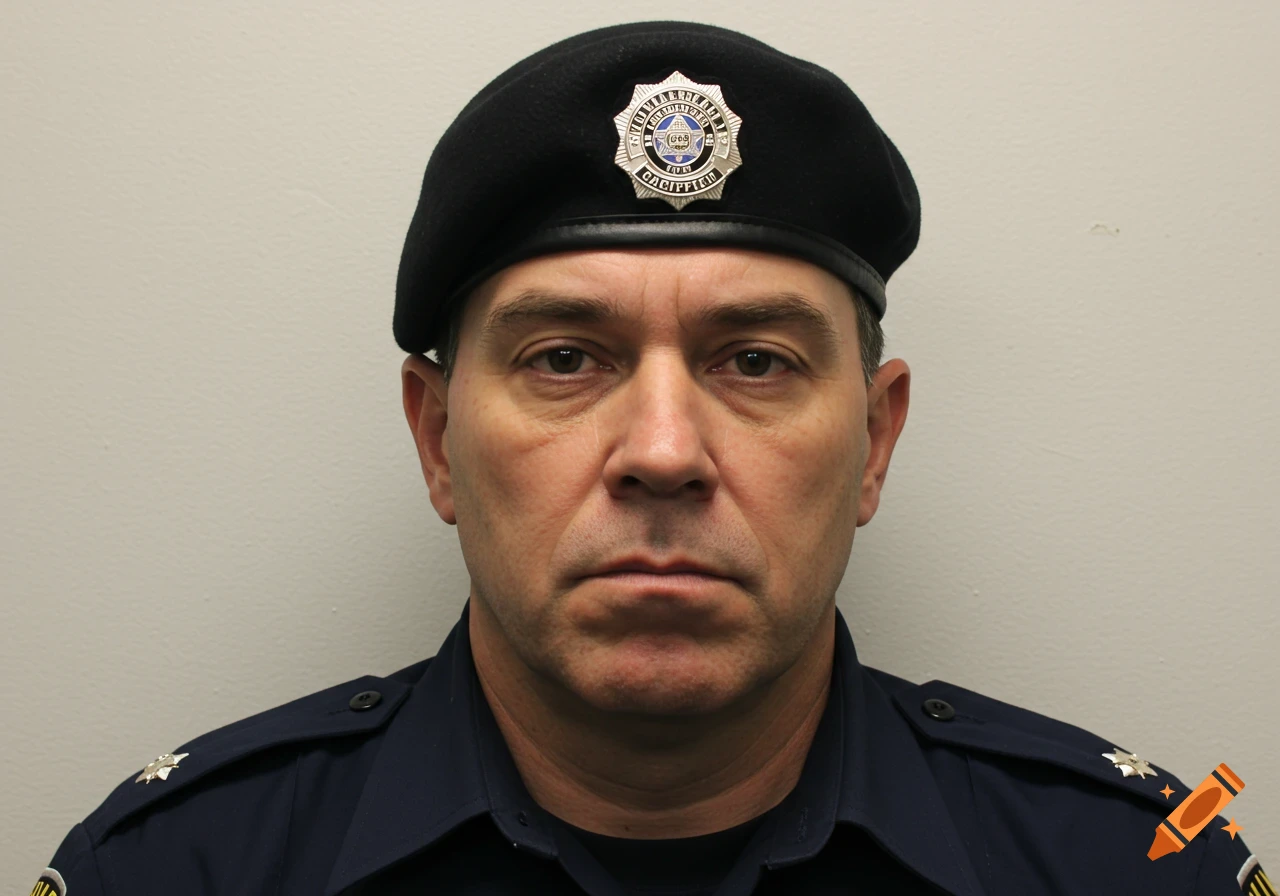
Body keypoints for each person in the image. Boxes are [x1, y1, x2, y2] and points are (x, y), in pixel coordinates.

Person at [29, 20, 1267, 896]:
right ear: (436, 438)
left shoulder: (1138, 862)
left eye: (756, 361)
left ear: (875, 441)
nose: (664, 452)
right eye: (565, 358)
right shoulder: (178, 865)